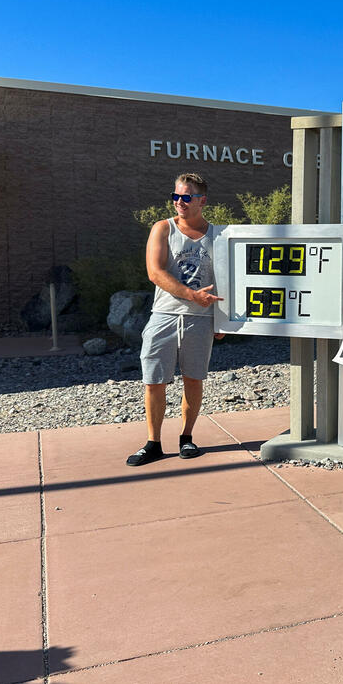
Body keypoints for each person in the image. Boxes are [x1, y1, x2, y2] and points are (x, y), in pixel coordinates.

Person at [126, 172, 224, 467]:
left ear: (202, 201)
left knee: (193, 379)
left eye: (186, 197)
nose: (179, 202)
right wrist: (192, 295)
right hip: (164, 315)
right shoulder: (163, 228)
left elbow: (227, 279)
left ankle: (186, 438)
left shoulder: (218, 235)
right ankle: (153, 443)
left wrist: (224, 321)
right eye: (176, 196)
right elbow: (155, 272)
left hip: (201, 319)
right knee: (154, 380)